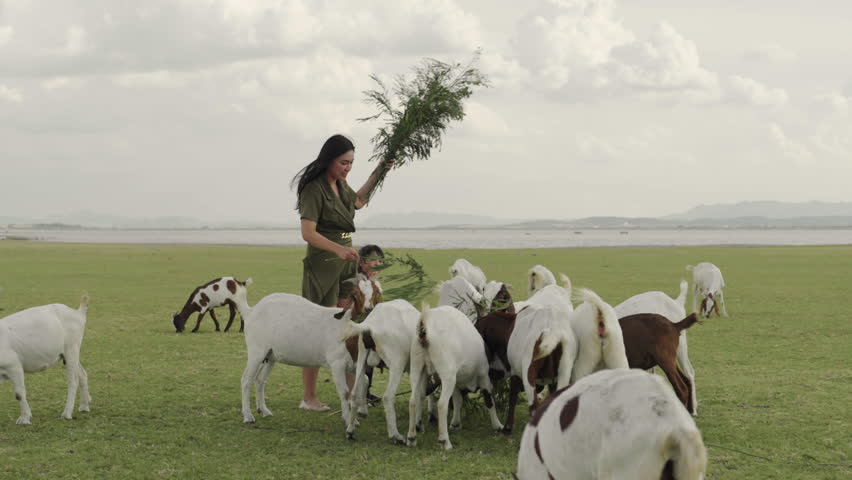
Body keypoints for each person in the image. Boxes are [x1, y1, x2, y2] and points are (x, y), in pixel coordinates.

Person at [291, 134, 390, 411]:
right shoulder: (314, 189)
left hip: (346, 259)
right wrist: (337, 249)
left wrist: (379, 172)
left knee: (347, 326)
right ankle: (309, 396)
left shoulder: (340, 184)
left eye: (351, 163)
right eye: (343, 162)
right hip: (323, 263)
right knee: (319, 328)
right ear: (329, 159)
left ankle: (351, 393)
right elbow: (307, 233)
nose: (347, 168)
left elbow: (358, 201)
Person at [357, 244, 385, 404]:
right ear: (362, 262)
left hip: (371, 326)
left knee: (370, 360)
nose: (377, 264)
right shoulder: (360, 282)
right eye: (373, 260)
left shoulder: (374, 282)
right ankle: (361, 394)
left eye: (380, 261)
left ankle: (366, 392)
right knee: (364, 360)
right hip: (362, 326)